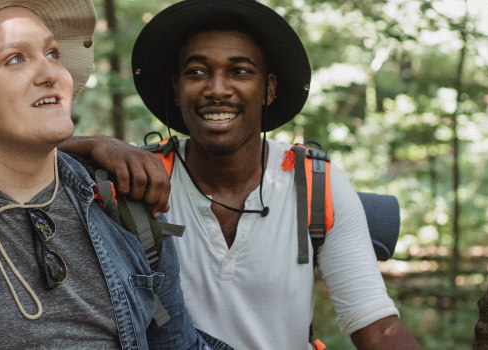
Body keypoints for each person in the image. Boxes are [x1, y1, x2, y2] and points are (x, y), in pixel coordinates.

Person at [60, 1, 423, 349]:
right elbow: (18, 162)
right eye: (197, 72)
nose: (217, 89)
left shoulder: (313, 185)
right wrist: (96, 144)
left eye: (240, 71)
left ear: (269, 88)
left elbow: (374, 323)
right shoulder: (140, 178)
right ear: (176, 87)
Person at [0, 0, 231, 349]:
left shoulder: (126, 207)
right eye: (15, 59)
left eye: (53, 53)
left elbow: (176, 343)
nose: (51, 73)